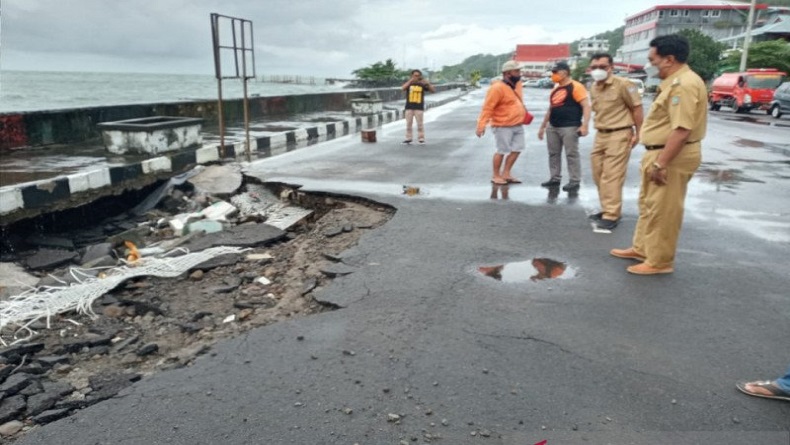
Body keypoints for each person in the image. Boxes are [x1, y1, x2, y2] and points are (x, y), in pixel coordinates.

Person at [610, 34, 707, 275]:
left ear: (669, 59)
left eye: (652, 59)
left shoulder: (683, 85)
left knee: (664, 210)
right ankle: (643, 248)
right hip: (658, 153)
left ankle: (660, 261)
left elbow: (682, 129)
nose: (649, 65)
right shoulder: (675, 82)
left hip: (671, 155)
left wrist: (662, 163)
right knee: (650, 204)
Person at [588, 53, 644, 231]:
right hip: (601, 134)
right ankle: (606, 208)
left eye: (602, 67)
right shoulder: (594, 88)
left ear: (611, 67)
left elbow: (636, 108)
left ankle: (612, 214)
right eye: (594, 67)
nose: (598, 70)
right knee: (598, 174)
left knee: (611, 175)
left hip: (619, 133)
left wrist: (638, 132)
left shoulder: (624, 84)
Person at [537, 61, 591, 192]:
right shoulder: (556, 88)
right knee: (553, 154)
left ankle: (574, 181)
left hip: (570, 126)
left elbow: (586, 106)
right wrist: (543, 126)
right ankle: (554, 178)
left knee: (571, 154)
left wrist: (585, 125)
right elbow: (551, 108)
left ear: (565, 72)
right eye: (552, 72)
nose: (553, 75)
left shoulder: (576, 87)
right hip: (553, 126)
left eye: (555, 72)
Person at [476, 60, 527, 185]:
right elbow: (488, 108)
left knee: (517, 149)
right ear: (508, 73)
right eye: (516, 71)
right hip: (502, 125)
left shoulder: (517, 84)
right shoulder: (497, 88)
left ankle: (506, 173)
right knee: (502, 150)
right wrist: (481, 125)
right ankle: (496, 175)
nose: (519, 74)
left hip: (517, 124)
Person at [401, 69, 436, 145]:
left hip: (419, 107)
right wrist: (410, 81)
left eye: (417, 76)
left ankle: (421, 138)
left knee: (420, 124)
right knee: (408, 124)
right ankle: (408, 138)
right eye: (414, 75)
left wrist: (428, 83)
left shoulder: (422, 84)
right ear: (412, 76)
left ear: (420, 76)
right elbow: (403, 88)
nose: (416, 77)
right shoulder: (409, 84)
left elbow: (433, 90)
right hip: (409, 107)